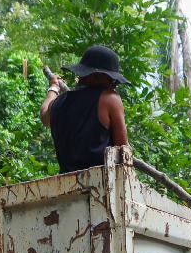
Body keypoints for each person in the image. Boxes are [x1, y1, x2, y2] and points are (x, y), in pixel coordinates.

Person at [40, 45, 129, 174]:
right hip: (103, 184)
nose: (114, 84)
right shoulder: (110, 99)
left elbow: (44, 116)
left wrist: (53, 88)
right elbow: (122, 150)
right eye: (112, 79)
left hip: (66, 185)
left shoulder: (59, 102)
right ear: (96, 76)